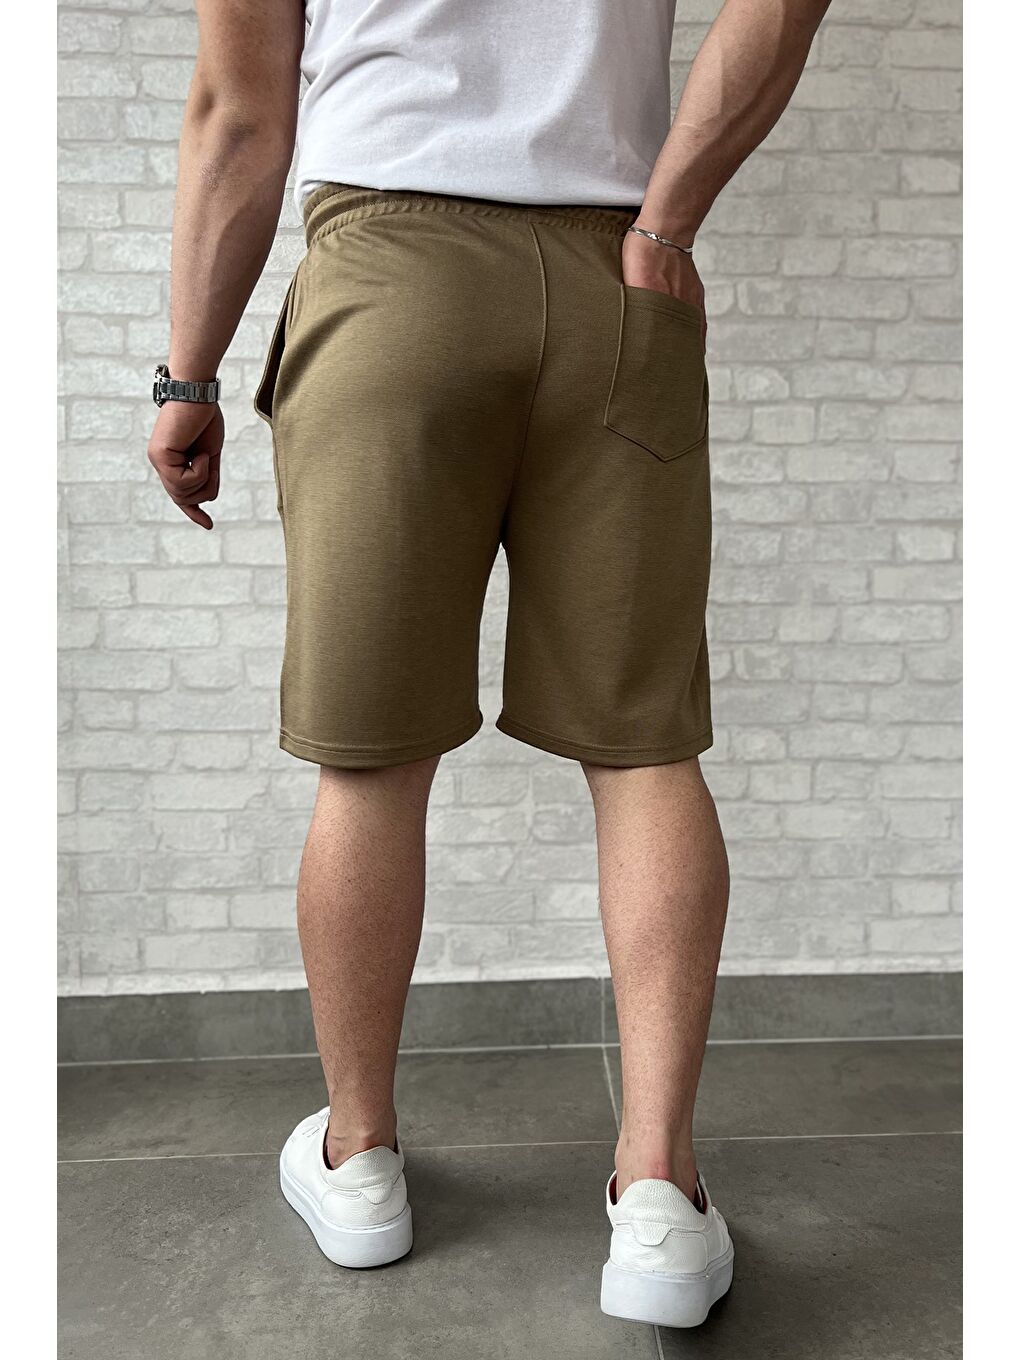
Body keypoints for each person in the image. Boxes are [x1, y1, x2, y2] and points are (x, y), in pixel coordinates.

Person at [147, 0, 829, 1329]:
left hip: (387, 279)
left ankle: (358, 1161)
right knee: (644, 749)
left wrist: (189, 378)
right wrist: (667, 222)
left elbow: (237, 115)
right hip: (618, 280)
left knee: (370, 757)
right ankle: (659, 1195)